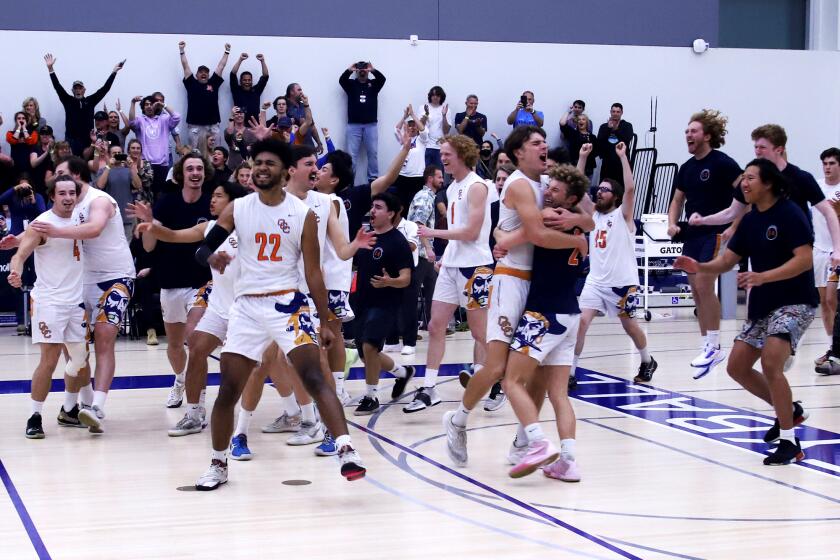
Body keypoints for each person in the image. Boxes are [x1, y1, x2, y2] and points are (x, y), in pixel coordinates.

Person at [193, 138, 366, 490]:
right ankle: (218, 463)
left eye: (268, 163)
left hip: (288, 302)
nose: (260, 168)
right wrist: (213, 258)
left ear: (285, 172)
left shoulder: (303, 214)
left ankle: (347, 451)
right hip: (246, 306)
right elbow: (203, 251)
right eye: (256, 162)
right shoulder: (237, 209)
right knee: (228, 388)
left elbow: (314, 272)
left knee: (314, 376)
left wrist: (325, 319)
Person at [441, 130, 591, 464]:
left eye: (543, 142)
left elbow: (588, 218)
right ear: (518, 153)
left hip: (536, 284)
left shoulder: (547, 182)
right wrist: (575, 241)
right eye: (536, 143)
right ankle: (459, 418)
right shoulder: (521, 183)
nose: (543, 147)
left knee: (535, 372)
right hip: (511, 280)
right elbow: (538, 233)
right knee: (497, 366)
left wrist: (576, 220)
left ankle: (524, 441)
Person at [675, 159, 817, 466]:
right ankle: (789, 411)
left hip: (795, 300)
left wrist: (764, 276)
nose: (744, 184)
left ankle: (790, 442)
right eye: (744, 179)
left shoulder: (790, 214)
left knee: (770, 362)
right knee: (736, 366)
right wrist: (700, 267)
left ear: (768, 183)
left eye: (751, 178)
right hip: (763, 303)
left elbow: (805, 260)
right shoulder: (750, 220)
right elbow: (727, 261)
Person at [693, 123, 840, 372]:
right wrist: (703, 220)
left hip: (794, 256)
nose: (757, 152)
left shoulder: (800, 178)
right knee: (756, 305)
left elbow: (827, 212)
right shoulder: (752, 182)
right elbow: (732, 211)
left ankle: (790, 348)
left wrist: (837, 249)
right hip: (762, 253)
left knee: (805, 303)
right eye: (755, 147)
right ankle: (767, 351)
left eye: (762, 147)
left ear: (779, 150)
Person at [493, 166, 590, 480]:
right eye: (550, 187)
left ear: (570, 198)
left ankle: (537, 442)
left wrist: (500, 236)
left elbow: (528, 233)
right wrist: (581, 224)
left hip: (543, 313)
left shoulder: (552, 217)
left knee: (509, 380)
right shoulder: (577, 224)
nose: (548, 192)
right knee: (559, 394)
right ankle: (569, 461)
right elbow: (588, 220)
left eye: (556, 190)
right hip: (570, 314)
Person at [131, 182, 250, 436]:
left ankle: (300, 412)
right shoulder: (208, 227)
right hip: (219, 305)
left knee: (267, 366)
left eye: (218, 195)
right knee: (196, 347)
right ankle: (195, 414)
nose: (212, 199)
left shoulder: (251, 228)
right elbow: (173, 235)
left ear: (233, 204)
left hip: (248, 307)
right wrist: (153, 224)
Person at [31, 156, 136, 433]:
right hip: (83, 281)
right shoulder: (66, 207)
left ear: (76, 176)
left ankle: (97, 405)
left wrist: (56, 231)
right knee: (77, 350)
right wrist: (16, 242)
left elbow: (94, 229)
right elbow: (40, 231)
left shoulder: (99, 200)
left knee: (103, 337)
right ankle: (81, 406)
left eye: (63, 175)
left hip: (115, 276)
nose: (58, 180)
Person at [409, 134, 494, 412]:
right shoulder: (451, 187)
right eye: (442, 154)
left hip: (476, 266)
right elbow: (459, 234)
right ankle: (429, 387)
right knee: (435, 326)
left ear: (462, 154)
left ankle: (489, 380)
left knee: (480, 332)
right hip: (453, 264)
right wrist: (446, 256)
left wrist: (433, 233)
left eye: (447, 154)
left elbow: (471, 232)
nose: (442, 158)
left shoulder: (477, 187)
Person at [8, 176, 88, 439]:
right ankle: (35, 415)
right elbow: (20, 254)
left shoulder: (82, 219)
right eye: (61, 193)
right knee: (50, 360)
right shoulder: (42, 224)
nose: (67, 197)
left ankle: (68, 409)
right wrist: (16, 271)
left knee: (79, 359)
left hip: (76, 302)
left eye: (71, 193)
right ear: (52, 196)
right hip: (49, 302)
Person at [573, 142, 656, 386]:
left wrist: (623, 156)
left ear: (616, 197)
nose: (600, 192)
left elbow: (630, 188)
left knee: (630, 326)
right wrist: (581, 157)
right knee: (581, 323)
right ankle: (570, 373)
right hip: (596, 282)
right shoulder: (594, 215)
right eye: (599, 188)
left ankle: (647, 360)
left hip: (623, 283)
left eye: (606, 190)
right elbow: (578, 190)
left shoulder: (623, 215)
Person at [667, 110, 743, 378]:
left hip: (717, 231)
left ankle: (714, 344)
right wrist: (672, 222)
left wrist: (735, 226)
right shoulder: (687, 168)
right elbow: (677, 200)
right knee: (695, 289)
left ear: (707, 135)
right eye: (686, 131)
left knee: (703, 283)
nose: (688, 135)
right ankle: (707, 346)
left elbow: (745, 192)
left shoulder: (723, 163)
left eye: (694, 131)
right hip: (693, 234)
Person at [141, 153, 212, 408]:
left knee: (194, 340)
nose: (195, 172)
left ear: (205, 173)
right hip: (170, 282)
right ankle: (180, 380)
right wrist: (147, 225)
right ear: (182, 174)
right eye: (190, 168)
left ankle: (199, 399)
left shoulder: (211, 203)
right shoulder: (166, 203)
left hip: (202, 283)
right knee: (174, 345)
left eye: (199, 168)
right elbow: (149, 247)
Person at [352, 192, 416, 415]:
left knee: (370, 346)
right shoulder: (366, 238)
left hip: (386, 304)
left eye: (378, 207)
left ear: (390, 213)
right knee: (365, 354)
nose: (373, 211)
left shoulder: (398, 242)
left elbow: (406, 278)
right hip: (362, 302)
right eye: (372, 206)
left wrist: (390, 281)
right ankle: (401, 373)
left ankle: (371, 397)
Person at [44, 53, 123, 155]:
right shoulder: (67, 100)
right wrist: (51, 69)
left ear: (84, 90)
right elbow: (57, 86)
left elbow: (105, 89)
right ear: (72, 90)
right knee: (72, 166)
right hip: (71, 140)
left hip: (88, 140)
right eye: (75, 88)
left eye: (80, 88)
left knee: (87, 167)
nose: (78, 90)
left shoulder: (90, 100)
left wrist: (114, 72)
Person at [407, 165, 443, 331]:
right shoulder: (424, 197)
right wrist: (428, 249)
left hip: (424, 253)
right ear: (430, 178)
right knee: (413, 292)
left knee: (433, 289)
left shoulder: (429, 197)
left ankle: (431, 324)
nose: (442, 180)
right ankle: (408, 329)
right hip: (419, 252)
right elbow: (418, 224)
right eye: (439, 177)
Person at [813, 147, 840, 367]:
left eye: (832, 163)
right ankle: (832, 347)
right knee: (824, 302)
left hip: (837, 251)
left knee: (833, 299)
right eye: (825, 163)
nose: (828, 167)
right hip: (818, 249)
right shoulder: (817, 187)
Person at [340, 61, 386, 181]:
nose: (362, 70)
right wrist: (350, 69)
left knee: (373, 154)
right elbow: (342, 80)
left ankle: (373, 181)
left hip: (371, 125)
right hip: (353, 126)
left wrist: (373, 70)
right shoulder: (351, 84)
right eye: (360, 68)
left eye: (364, 68)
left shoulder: (374, 84)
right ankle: (349, 183)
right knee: (351, 156)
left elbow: (382, 79)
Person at [179, 40, 230, 148]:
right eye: (201, 72)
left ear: (208, 75)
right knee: (195, 154)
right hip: (195, 126)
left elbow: (221, 66)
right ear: (196, 75)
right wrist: (182, 50)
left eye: (206, 72)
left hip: (212, 126)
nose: (203, 73)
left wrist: (227, 51)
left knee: (214, 153)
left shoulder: (213, 83)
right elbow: (185, 65)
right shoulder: (191, 83)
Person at [129, 95, 181, 199]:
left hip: (162, 164)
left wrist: (163, 105)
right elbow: (131, 122)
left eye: (151, 104)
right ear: (143, 108)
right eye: (146, 104)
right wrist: (133, 103)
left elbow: (177, 117)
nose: (149, 106)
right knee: (145, 195)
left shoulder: (164, 120)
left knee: (160, 195)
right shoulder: (140, 120)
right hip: (146, 164)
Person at [96, 144, 141, 240]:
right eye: (114, 153)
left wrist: (132, 167)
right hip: (110, 217)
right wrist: (108, 166)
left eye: (119, 153)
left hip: (127, 217)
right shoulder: (103, 170)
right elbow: (100, 185)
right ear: (109, 155)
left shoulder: (128, 171)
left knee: (127, 247)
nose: (117, 155)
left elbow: (138, 185)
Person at [393, 105, 429, 216]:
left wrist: (413, 115)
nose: (412, 128)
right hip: (402, 176)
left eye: (414, 125)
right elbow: (396, 129)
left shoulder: (422, 140)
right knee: (401, 205)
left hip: (417, 177)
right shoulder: (404, 138)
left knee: (415, 206)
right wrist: (405, 116)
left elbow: (423, 130)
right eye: (410, 125)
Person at [595, 103, 633, 184]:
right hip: (607, 162)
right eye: (613, 111)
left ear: (622, 112)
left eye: (618, 112)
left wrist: (616, 130)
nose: (615, 114)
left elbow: (627, 139)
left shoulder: (627, 126)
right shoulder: (604, 127)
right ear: (610, 112)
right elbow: (599, 142)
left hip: (621, 162)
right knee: (605, 185)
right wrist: (608, 129)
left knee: (620, 187)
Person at [229, 52, 269, 125]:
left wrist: (262, 61)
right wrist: (240, 59)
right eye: (244, 80)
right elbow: (233, 74)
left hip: (255, 127)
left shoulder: (256, 90)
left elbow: (265, 76)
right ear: (240, 81)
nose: (247, 82)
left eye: (249, 80)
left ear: (251, 81)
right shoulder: (236, 90)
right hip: (239, 126)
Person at [560, 112, 597, 177]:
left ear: (587, 123)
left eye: (583, 119)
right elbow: (562, 123)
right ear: (577, 122)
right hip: (574, 167)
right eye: (579, 119)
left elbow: (597, 151)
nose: (581, 121)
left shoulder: (592, 137)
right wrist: (569, 112)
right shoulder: (572, 133)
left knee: (587, 187)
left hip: (588, 169)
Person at [421, 86, 450, 168]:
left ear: (441, 97)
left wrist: (444, 115)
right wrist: (426, 114)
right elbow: (419, 126)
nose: (435, 97)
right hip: (425, 145)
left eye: (438, 95)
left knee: (439, 173)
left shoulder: (445, 109)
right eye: (433, 95)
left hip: (440, 147)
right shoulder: (423, 107)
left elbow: (446, 131)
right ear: (430, 96)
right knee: (424, 173)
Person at [28, 125, 56, 194]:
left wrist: (51, 148)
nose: (44, 136)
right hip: (37, 182)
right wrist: (47, 152)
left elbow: (56, 161)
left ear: (51, 136)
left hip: (52, 182)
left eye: (47, 134)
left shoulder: (56, 148)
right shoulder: (35, 148)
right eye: (42, 134)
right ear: (39, 136)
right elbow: (33, 164)